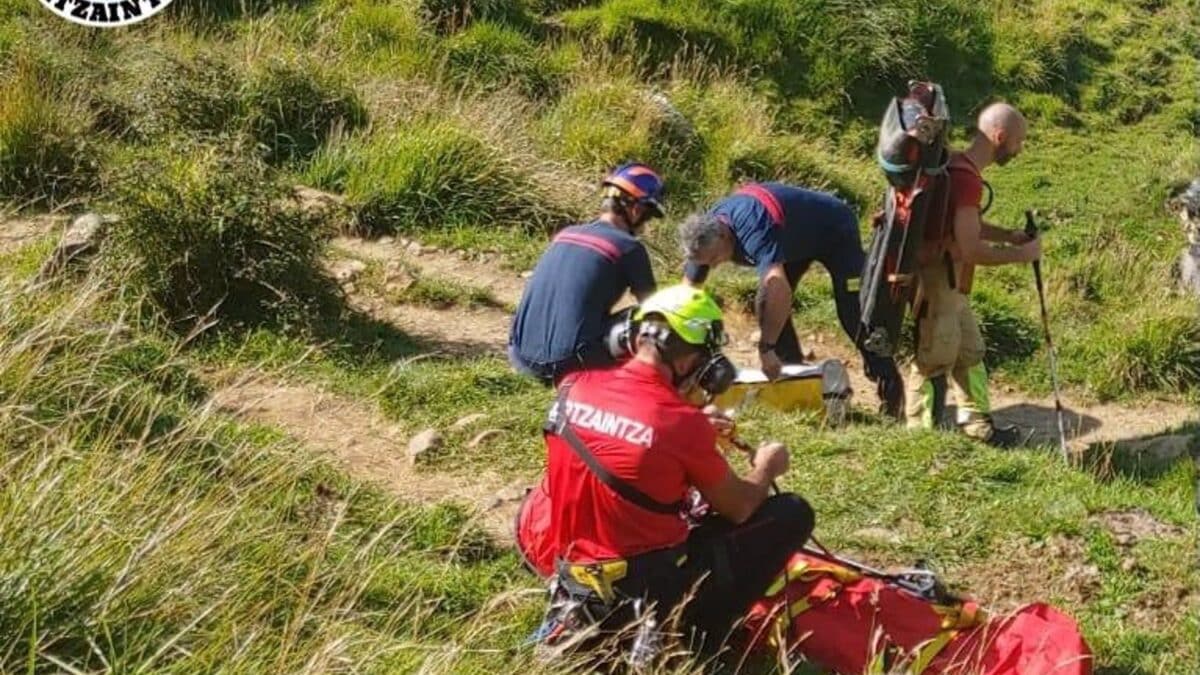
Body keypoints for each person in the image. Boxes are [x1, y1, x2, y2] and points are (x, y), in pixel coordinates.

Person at [533, 284, 814, 663]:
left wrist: (690, 423)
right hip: (644, 589)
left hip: (569, 575)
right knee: (792, 512)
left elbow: (627, 427)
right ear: (688, 363)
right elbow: (741, 507)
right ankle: (702, 637)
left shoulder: (572, 387)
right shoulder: (682, 426)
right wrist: (766, 467)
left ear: (629, 339)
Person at [677, 183, 905, 418]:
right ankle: (794, 378)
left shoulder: (753, 228)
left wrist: (766, 348)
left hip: (835, 230)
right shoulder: (703, 238)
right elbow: (686, 296)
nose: (713, 266)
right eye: (707, 263)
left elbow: (776, 287)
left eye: (715, 258)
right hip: (792, 238)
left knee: (852, 315)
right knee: (767, 309)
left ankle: (890, 389)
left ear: (725, 235)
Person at [903, 102, 1042, 446]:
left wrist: (1010, 236)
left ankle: (979, 428)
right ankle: (921, 440)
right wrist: (1020, 254)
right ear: (1000, 136)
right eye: (1019, 141)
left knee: (970, 351)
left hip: (951, 283)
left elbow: (967, 226)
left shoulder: (957, 167)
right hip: (938, 280)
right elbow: (969, 248)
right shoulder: (966, 179)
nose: (1020, 149)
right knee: (934, 355)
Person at [508, 163, 665, 386]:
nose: (645, 225)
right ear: (636, 209)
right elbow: (654, 309)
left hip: (520, 359)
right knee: (647, 320)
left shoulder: (565, 234)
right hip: (569, 367)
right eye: (648, 217)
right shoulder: (630, 248)